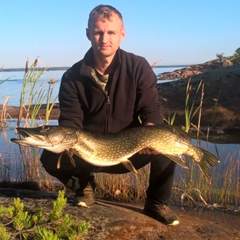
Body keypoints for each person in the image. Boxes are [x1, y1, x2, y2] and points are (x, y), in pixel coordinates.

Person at [40, 4, 179, 225]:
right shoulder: (72, 77)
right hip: (88, 153)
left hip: (131, 150)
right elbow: (70, 121)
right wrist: (66, 144)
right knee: (49, 156)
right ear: (88, 34)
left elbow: (151, 109)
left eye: (111, 32)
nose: (104, 38)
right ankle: (84, 187)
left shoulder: (138, 67)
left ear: (122, 34)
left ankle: (157, 203)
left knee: (167, 141)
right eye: (97, 32)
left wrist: (151, 129)